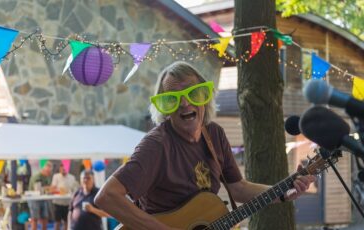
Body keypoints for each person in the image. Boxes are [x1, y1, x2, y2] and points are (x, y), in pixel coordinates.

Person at [94, 61, 316, 229]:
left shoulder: (214, 135)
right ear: (165, 107)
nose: (184, 103)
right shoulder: (156, 145)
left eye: (193, 93)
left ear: (205, 96)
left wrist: (285, 191)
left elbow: (238, 187)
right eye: (173, 98)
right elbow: (106, 196)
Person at [51, 163, 78, 230]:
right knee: (57, 221)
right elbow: (52, 188)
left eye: (65, 169)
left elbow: (75, 189)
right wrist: (59, 190)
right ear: (60, 169)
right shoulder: (56, 176)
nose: (64, 170)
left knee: (67, 221)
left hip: (68, 203)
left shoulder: (72, 177)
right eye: (62, 169)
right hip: (57, 203)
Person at [28, 161, 53, 230]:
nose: (49, 173)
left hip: (43, 199)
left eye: (50, 171)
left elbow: (48, 188)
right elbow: (38, 189)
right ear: (44, 170)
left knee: (45, 217)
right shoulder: (37, 177)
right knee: (34, 218)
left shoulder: (47, 177)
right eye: (48, 171)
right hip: (34, 199)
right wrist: (49, 188)